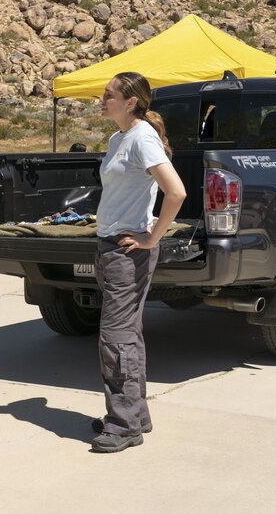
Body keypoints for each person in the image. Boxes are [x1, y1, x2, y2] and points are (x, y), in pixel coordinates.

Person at [90, 72, 186, 453]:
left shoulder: (142, 137)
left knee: (116, 339)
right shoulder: (119, 138)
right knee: (126, 335)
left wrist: (152, 238)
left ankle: (125, 425)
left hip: (128, 252)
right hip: (110, 248)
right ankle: (134, 414)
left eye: (108, 95)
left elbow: (175, 192)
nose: (102, 100)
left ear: (131, 102)